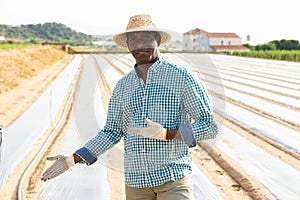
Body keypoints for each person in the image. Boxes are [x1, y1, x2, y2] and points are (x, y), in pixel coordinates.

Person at [41, 14, 219, 200]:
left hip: (172, 178)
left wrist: (167, 133)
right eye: (133, 40)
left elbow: (209, 126)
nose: (139, 45)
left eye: (145, 38)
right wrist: (73, 159)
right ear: (127, 45)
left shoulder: (181, 77)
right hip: (136, 184)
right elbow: (112, 131)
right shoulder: (123, 86)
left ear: (157, 40)